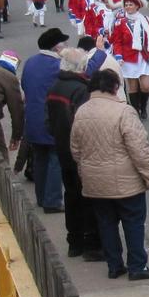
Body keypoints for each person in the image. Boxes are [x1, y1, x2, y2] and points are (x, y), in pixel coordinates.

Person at [71, 69, 149, 280]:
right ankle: (137, 266)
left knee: (106, 223)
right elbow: (139, 148)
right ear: (115, 87)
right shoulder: (124, 112)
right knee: (133, 222)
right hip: (126, 181)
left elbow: (75, 149)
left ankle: (114, 265)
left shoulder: (81, 112)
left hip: (95, 183)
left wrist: (86, 171)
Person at [22, 29, 107, 214]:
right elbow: (86, 70)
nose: (66, 47)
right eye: (64, 44)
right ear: (56, 47)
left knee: (40, 158)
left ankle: (41, 197)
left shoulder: (30, 62)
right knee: (54, 158)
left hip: (32, 119)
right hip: (51, 117)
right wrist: (100, 51)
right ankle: (52, 201)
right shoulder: (56, 65)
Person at [46, 48, 104, 261]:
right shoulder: (81, 89)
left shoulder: (55, 87)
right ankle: (91, 245)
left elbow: (48, 121)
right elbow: (84, 125)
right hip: (80, 153)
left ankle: (74, 242)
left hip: (63, 150)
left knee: (71, 196)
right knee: (88, 198)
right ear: (80, 67)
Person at [110, 0, 149, 120]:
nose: (128, 7)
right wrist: (119, 56)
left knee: (146, 86)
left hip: (143, 57)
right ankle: (136, 110)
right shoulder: (120, 22)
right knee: (132, 86)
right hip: (128, 58)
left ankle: (143, 106)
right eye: (126, 5)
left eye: (130, 4)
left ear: (137, 6)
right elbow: (117, 41)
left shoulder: (146, 20)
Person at [77, 35, 126, 102]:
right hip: (121, 96)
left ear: (83, 50)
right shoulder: (110, 57)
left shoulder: (87, 61)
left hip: (106, 100)